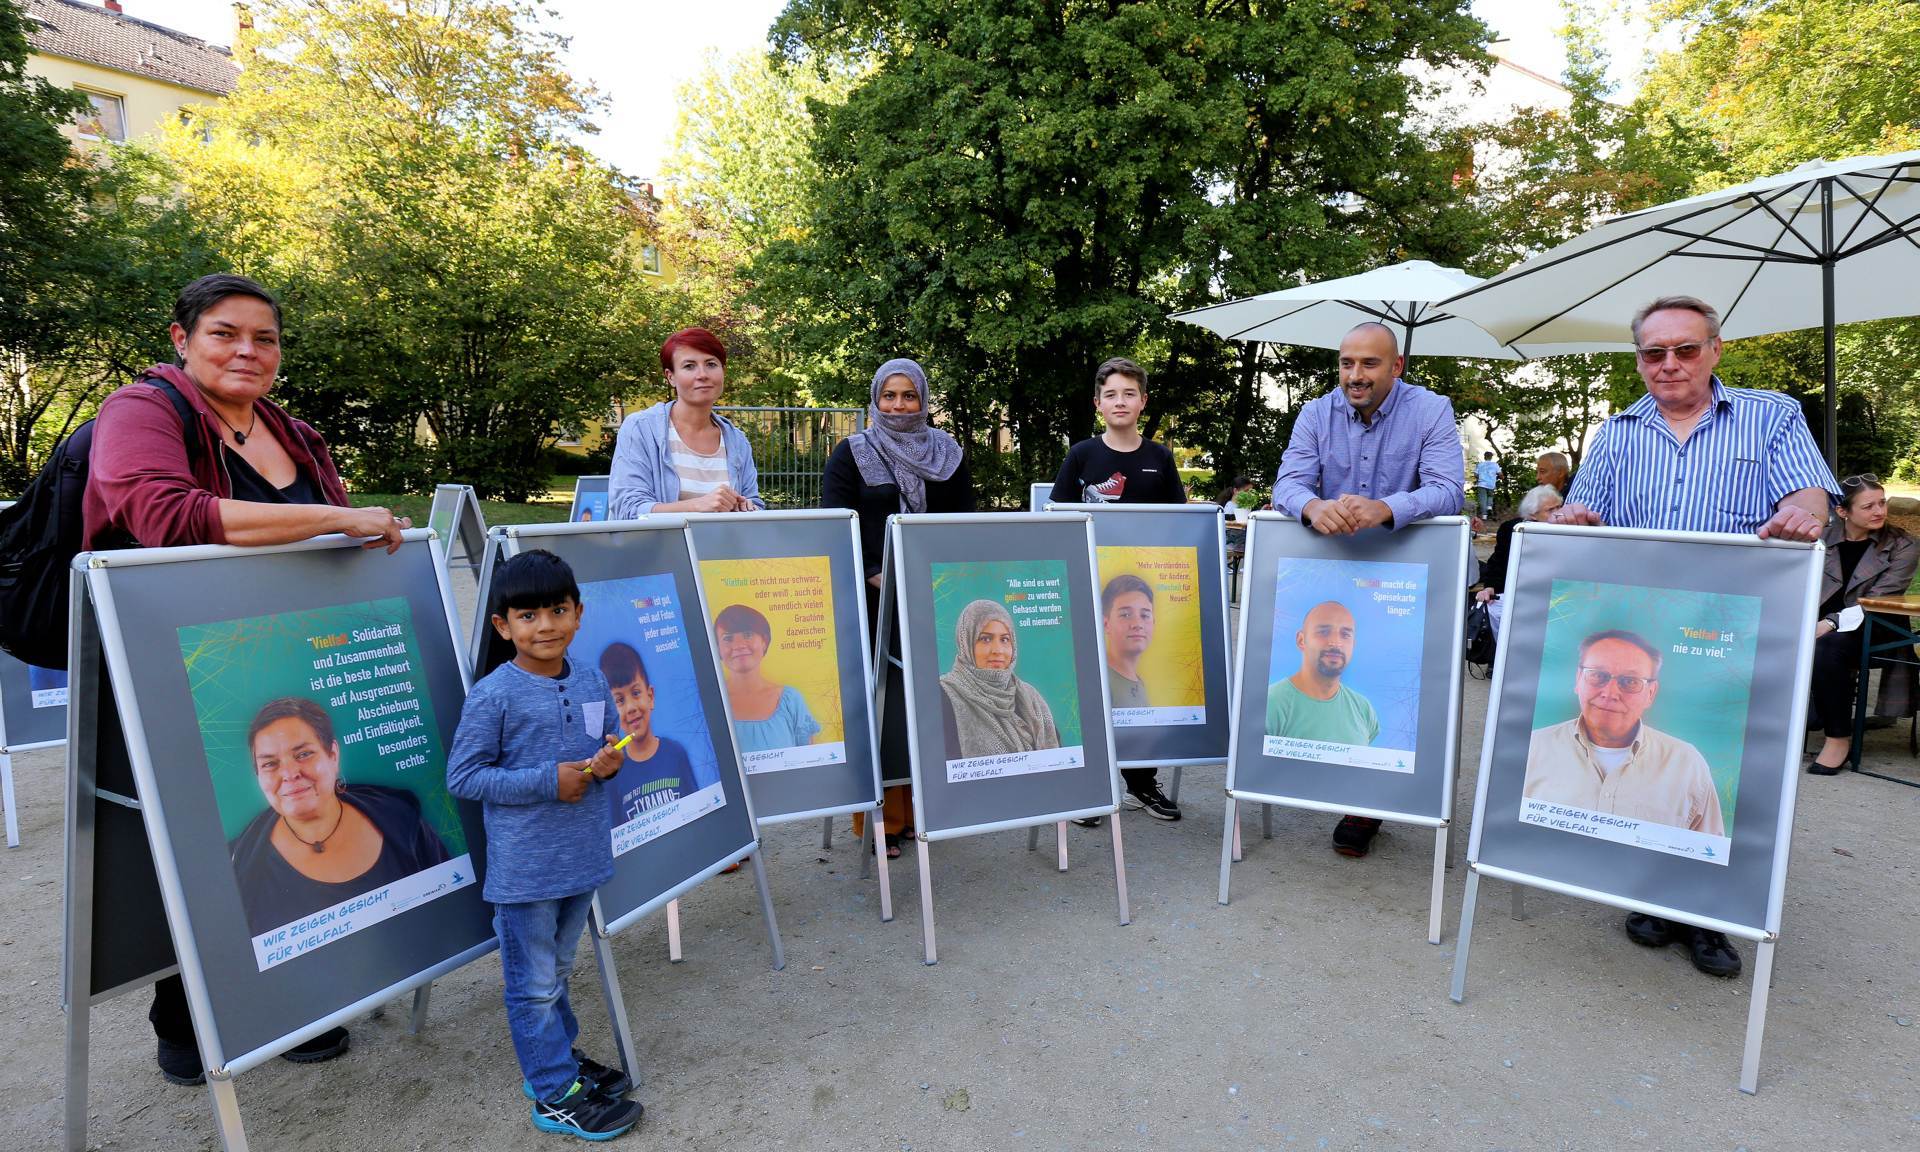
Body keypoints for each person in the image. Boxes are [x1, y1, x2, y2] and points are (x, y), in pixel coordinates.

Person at [84, 273, 407, 1084]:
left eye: (264, 339)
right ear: (181, 338)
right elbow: (163, 513)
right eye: (225, 333)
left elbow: (328, 543)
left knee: (295, 826)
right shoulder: (140, 412)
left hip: (280, 659)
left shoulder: (292, 432)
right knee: (191, 839)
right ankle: (183, 1014)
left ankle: (293, 996)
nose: (247, 351)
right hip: (162, 668)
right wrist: (339, 518)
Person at [1550, 294, 1838, 979]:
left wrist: (1802, 513)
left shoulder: (1772, 415)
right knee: (1657, 767)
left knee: (1725, 772)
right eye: (1655, 353)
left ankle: (1712, 913)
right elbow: (1588, 524)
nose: (1669, 364)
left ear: (1714, 349)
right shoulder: (1616, 431)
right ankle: (1655, 892)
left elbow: (1810, 498)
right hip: (1648, 632)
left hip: (1736, 632)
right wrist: (1572, 523)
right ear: (1640, 360)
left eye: (1685, 349)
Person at [446, 549, 645, 1141]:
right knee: (531, 984)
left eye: (558, 610)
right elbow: (464, 777)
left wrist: (608, 765)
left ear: (578, 614)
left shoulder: (587, 678)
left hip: (581, 858)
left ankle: (554, 1062)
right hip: (525, 871)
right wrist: (546, 780)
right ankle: (555, 1092)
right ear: (503, 626)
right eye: (528, 615)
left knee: (555, 971)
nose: (546, 625)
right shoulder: (493, 695)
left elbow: (606, 750)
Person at [1271, 321, 1464, 857]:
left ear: (1397, 366)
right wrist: (1311, 506)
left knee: (1391, 680)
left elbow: (1450, 489)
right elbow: (1286, 483)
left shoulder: (1431, 410)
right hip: (1333, 570)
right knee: (1335, 674)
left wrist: (1388, 508)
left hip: (1406, 572)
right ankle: (1334, 779)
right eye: (1346, 363)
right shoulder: (1315, 413)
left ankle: (1372, 799)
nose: (1355, 376)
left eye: (1369, 364)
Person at [822, 357, 972, 856]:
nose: (899, 405)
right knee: (883, 707)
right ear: (875, 399)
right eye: (890, 396)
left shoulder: (948, 452)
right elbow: (836, 522)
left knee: (931, 702)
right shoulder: (851, 453)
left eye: (909, 396)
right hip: (874, 601)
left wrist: (946, 578)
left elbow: (963, 524)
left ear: (924, 399)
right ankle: (882, 820)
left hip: (935, 598)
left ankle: (923, 811)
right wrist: (872, 570)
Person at [1049, 357, 1184, 821]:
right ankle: (1090, 789)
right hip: (1090, 591)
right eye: (1111, 394)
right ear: (1097, 403)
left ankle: (1141, 784)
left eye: (1129, 393)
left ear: (1143, 402)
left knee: (1133, 689)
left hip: (1137, 593)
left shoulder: (1160, 459)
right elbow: (1056, 521)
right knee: (1089, 686)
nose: (1120, 401)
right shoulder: (1082, 456)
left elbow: (1179, 531)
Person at [230, 697, 451, 938]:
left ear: (333, 754)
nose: (289, 773)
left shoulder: (400, 818)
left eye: (303, 754)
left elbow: (450, 902)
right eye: (270, 764)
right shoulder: (237, 866)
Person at [1522, 629, 1724, 837]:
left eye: (1630, 682)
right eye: (1598, 675)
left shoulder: (1686, 764)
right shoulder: (1531, 748)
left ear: (1651, 694)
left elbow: (1707, 855)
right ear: (1578, 679)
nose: (1609, 693)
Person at [1807, 474, 1918, 774]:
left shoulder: (1903, 545)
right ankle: (1802, 715)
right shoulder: (1819, 540)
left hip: (1876, 624)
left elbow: (1878, 600)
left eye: (1882, 503)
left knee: (1828, 646)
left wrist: (1829, 623)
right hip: (1817, 624)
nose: (1880, 511)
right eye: (1869, 506)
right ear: (1843, 512)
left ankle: (1837, 738)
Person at [608, 327, 764, 518]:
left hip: (723, 548)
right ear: (670, 377)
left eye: (711, 364)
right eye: (689, 366)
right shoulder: (641, 429)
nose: (702, 374)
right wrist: (698, 506)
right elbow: (627, 509)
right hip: (658, 548)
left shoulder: (737, 440)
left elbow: (755, 505)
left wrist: (747, 507)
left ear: (723, 371)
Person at [939, 599, 1062, 761]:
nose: (997, 650)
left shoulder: (1031, 699)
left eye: (1004, 639)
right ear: (966, 643)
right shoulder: (944, 696)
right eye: (985, 639)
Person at [598, 641, 700, 821]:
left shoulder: (676, 754)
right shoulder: (612, 775)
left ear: (650, 696)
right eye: (619, 700)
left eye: (636, 693)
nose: (630, 707)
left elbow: (699, 814)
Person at [1266, 602, 1379, 747]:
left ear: (1353, 645)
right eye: (1324, 632)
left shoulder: (1364, 709)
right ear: (1301, 640)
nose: (1336, 642)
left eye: (1345, 635)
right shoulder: (1271, 705)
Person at [714, 603, 822, 754]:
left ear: (764, 641)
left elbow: (811, 763)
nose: (738, 645)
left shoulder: (790, 701)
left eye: (747, 634)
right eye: (728, 638)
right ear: (717, 648)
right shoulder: (708, 705)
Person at [1476, 484, 1565, 632]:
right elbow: (1497, 561)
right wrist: (1489, 587)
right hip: (1517, 595)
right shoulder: (1511, 529)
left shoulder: (1568, 530)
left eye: (1559, 507)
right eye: (1550, 510)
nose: (1559, 513)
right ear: (1532, 514)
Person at [1102, 573, 1157, 710]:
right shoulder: (1102, 684)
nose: (1137, 624)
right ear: (1106, 624)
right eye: (1125, 615)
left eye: (1144, 615)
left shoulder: (1139, 684)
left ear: (1154, 622)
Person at [1474, 451, 1501, 519]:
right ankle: (1489, 507)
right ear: (1491, 457)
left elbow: (1476, 474)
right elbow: (1500, 474)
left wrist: (1480, 477)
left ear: (1484, 457)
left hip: (1482, 484)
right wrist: (1498, 477)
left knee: (1483, 500)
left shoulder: (1480, 464)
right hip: (1491, 484)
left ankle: (1484, 516)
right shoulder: (1495, 465)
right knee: (1490, 496)